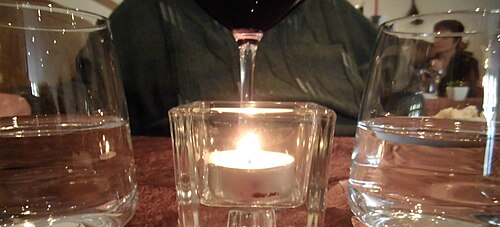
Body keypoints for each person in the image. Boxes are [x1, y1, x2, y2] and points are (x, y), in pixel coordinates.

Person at [108, 0, 377, 136]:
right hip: (187, 171)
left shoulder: (336, 13)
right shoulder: (145, 14)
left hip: (332, 171)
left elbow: (395, 92)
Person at [427, 19, 480, 97]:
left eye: (444, 38)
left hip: (460, 106)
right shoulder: (428, 61)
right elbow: (422, 89)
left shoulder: (468, 62)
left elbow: (471, 91)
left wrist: (443, 73)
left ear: (457, 41)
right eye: (436, 37)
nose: (437, 41)